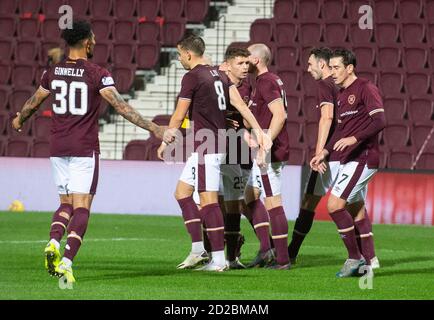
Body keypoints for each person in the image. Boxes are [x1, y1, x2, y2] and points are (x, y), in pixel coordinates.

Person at [12, 20, 164, 284]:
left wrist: (18, 120)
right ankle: (67, 263)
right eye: (92, 38)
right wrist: (153, 127)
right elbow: (121, 107)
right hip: (83, 147)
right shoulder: (97, 73)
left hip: (58, 148)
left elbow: (33, 103)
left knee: (65, 204)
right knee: (82, 207)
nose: (95, 42)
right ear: (85, 42)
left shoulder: (53, 72)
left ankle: (52, 242)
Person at [157, 35, 270, 272]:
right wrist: (259, 130)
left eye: (179, 55)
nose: (179, 59)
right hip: (221, 143)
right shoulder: (220, 75)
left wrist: (167, 139)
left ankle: (218, 260)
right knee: (182, 193)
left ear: (188, 54)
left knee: (209, 202)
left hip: (207, 146)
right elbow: (240, 105)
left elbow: (179, 114)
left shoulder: (192, 76)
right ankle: (199, 249)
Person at [288, 47, 380, 268]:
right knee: (355, 206)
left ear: (323, 64)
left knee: (311, 203)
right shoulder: (340, 87)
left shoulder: (326, 85)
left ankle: (290, 253)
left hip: (338, 157)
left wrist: (319, 152)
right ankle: (370, 258)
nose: (308, 69)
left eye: (310, 64)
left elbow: (327, 118)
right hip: (344, 154)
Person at [310, 48, 386, 277]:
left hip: (363, 158)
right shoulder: (341, 94)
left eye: (336, 68)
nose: (331, 72)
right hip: (348, 159)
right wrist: (324, 151)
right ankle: (370, 260)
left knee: (334, 206)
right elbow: (340, 130)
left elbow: (380, 120)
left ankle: (355, 258)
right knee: (357, 209)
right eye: (330, 67)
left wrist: (355, 138)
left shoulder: (365, 88)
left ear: (349, 68)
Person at [244, 43, 290, 270]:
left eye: (247, 56)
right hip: (263, 149)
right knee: (248, 198)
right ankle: (266, 248)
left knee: (273, 203)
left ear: (257, 60)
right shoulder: (262, 82)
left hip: (270, 152)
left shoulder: (267, 81)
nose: (244, 60)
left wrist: (264, 146)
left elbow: (279, 116)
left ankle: (282, 260)